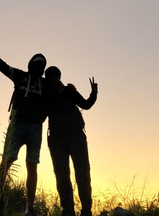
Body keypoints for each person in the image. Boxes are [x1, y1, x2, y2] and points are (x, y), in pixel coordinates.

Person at [0, 29, 47, 216]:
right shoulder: (20, 75)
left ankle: (29, 209)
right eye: (37, 63)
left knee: (32, 165)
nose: (39, 67)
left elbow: (60, 92)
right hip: (18, 125)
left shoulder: (46, 84)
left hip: (35, 128)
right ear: (31, 64)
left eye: (42, 65)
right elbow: (1, 65)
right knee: (6, 162)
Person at [45, 66, 98, 216]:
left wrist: (94, 93)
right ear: (47, 79)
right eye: (50, 77)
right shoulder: (45, 95)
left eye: (56, 76)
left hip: (76, 137)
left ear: (59, 77)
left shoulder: (69, 91)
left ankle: (86, 210)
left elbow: (86, 104)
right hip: (56, 140)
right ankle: (68, 211)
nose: (53, 79)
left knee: (83, 174)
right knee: (62, 176)